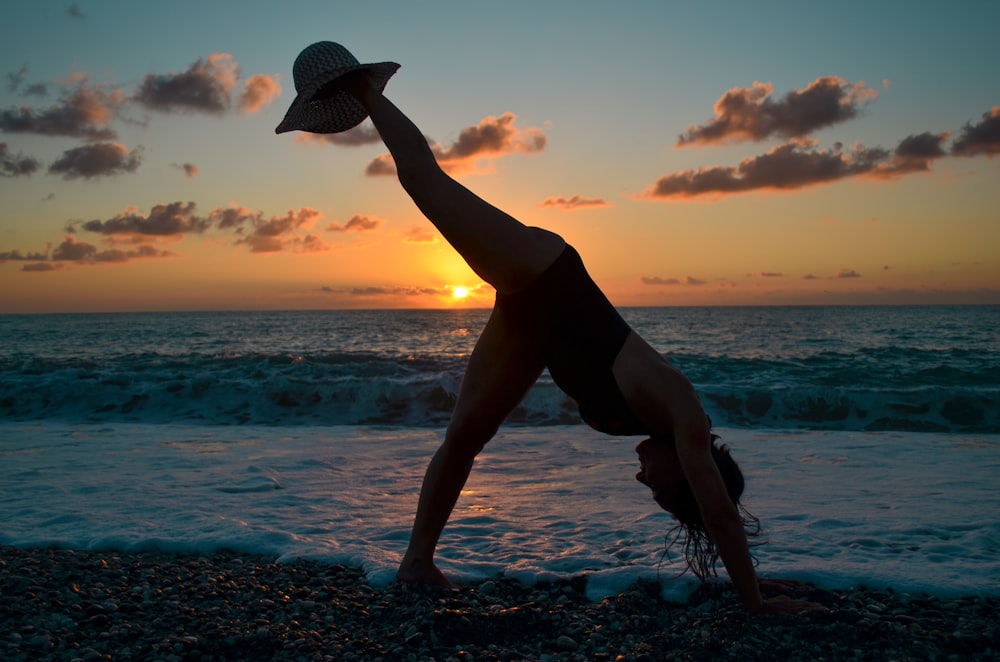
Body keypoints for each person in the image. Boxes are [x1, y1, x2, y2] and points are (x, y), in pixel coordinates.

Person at [277, 42, 821, 614]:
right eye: (660, 488)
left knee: (464, 437)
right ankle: (364, 88)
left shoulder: (663, 424)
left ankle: (416, 562)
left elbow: (713, 515)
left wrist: (753, 585)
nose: (644, 483)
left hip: (531, 326)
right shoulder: (682, 407)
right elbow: (718, 511)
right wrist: (757, 604)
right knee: (422, 182)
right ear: (689, 470)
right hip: (545, 272)